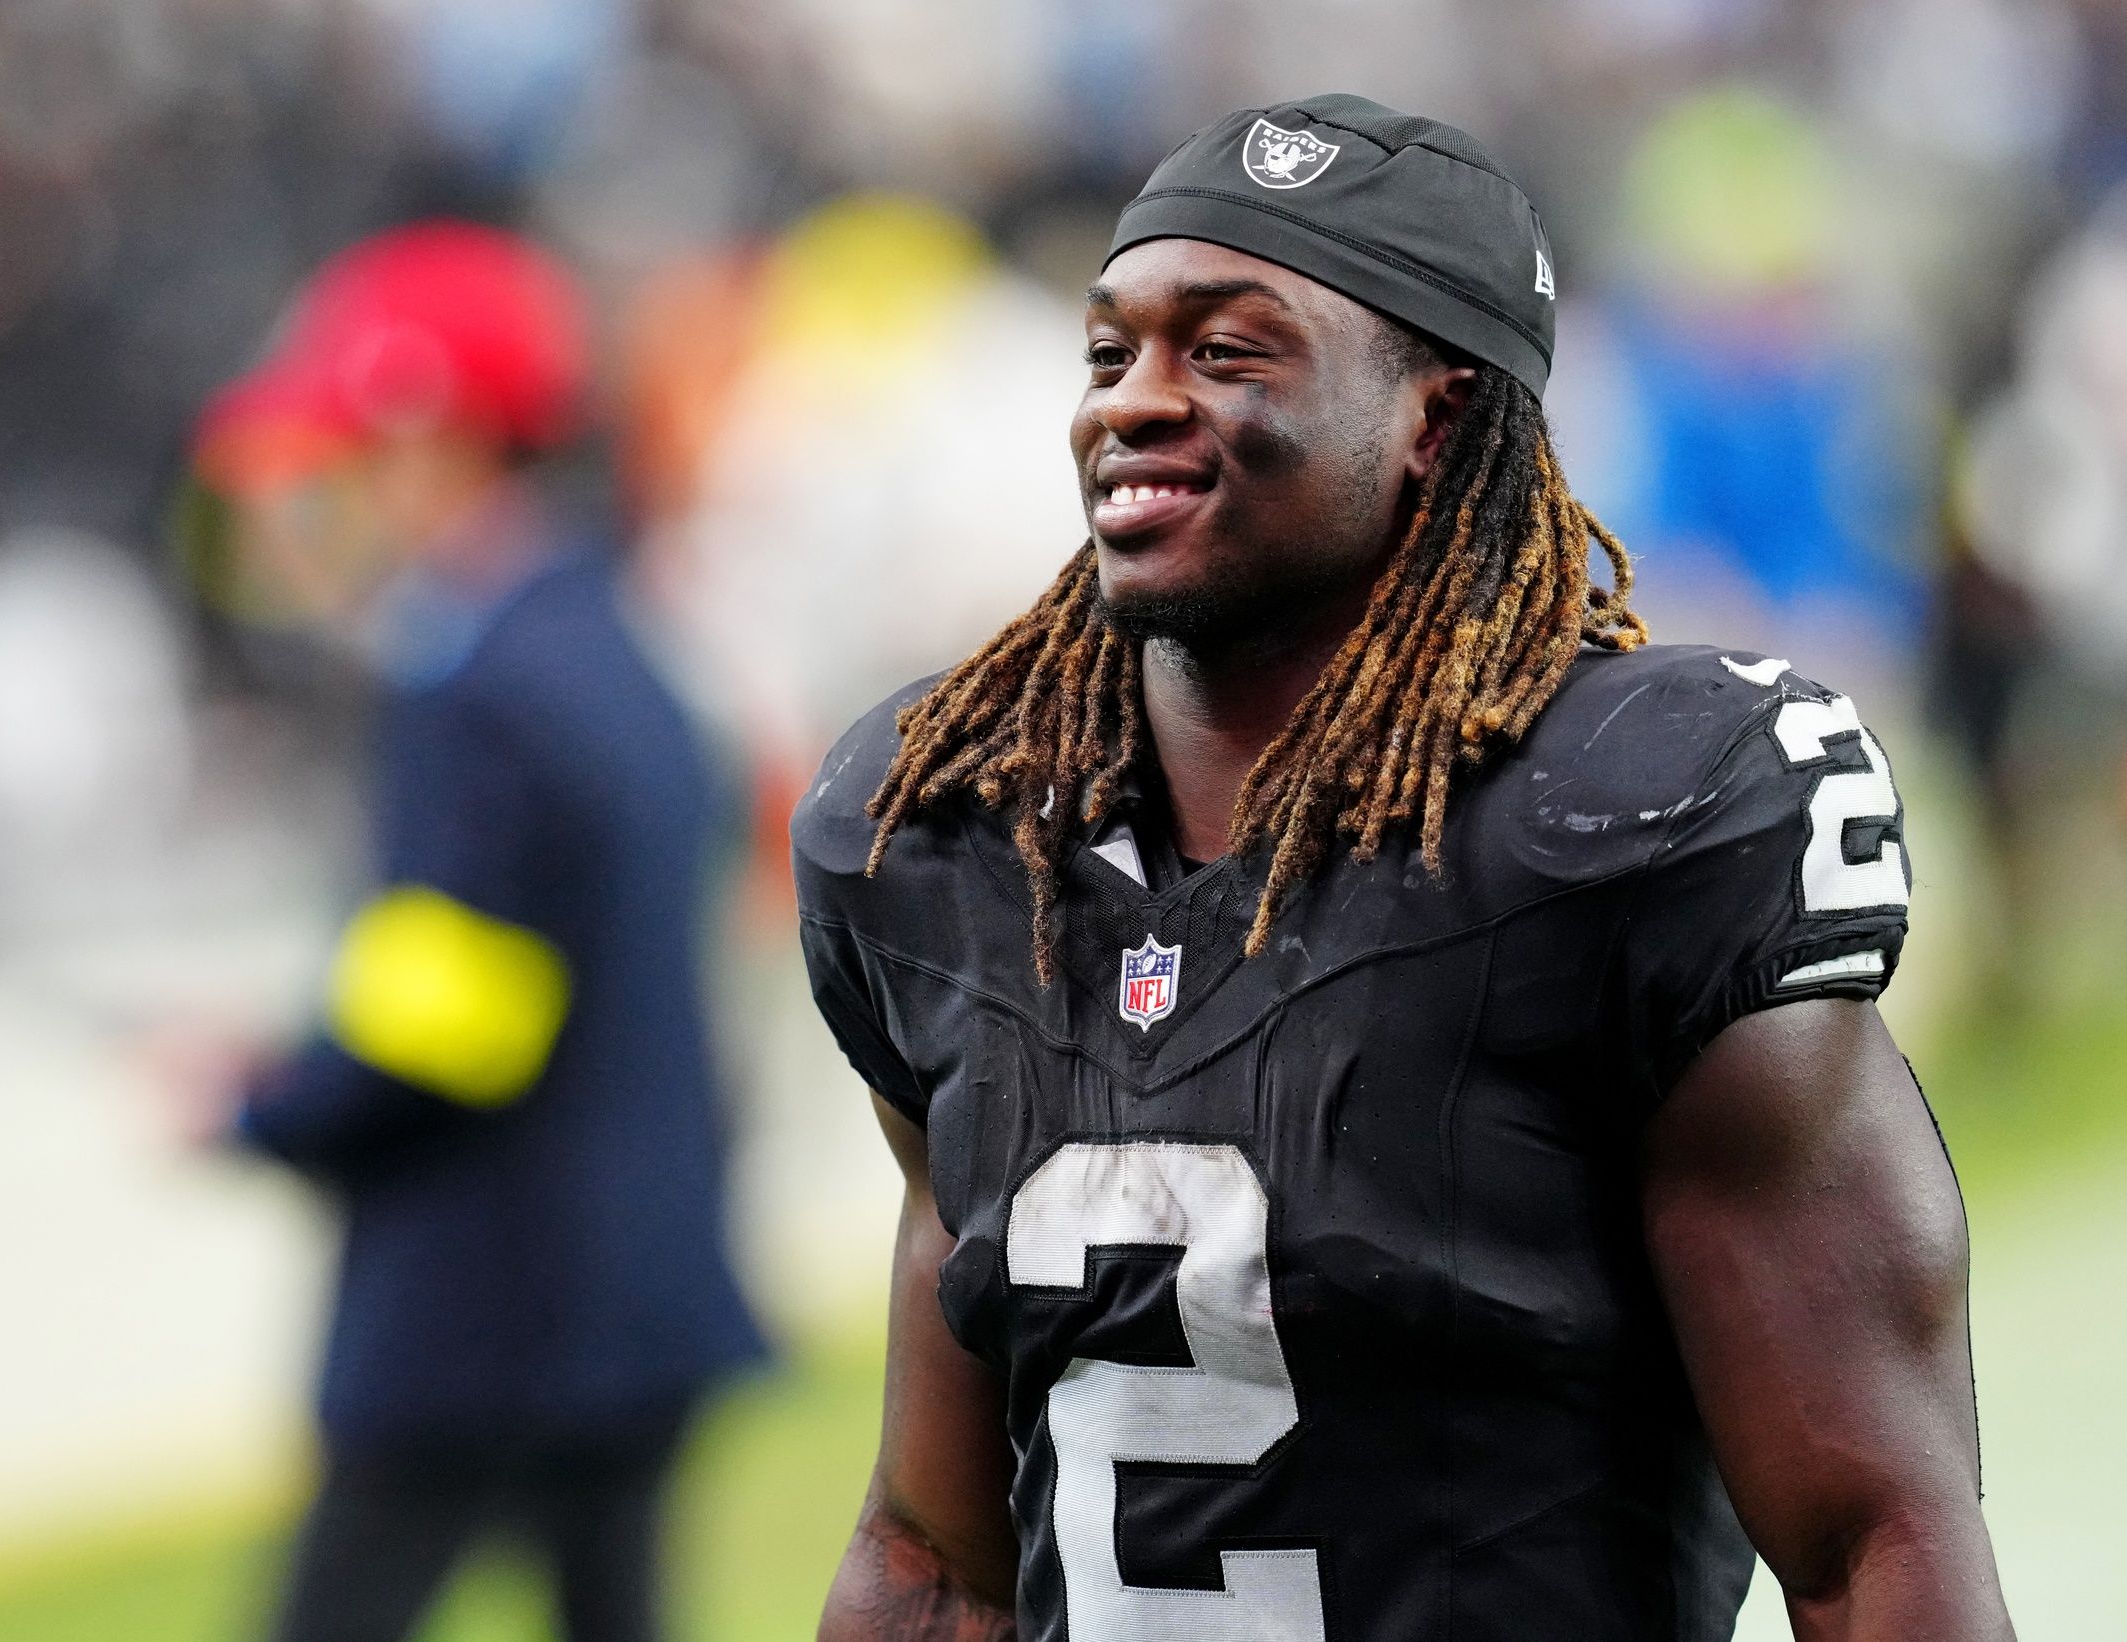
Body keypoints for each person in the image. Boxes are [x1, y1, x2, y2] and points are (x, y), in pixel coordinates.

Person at [793, 97, 2010, 1642]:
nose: (1137, 403)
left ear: (1436, 417)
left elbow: (1873, 1531)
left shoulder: (1621, 832)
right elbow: (932, 1550)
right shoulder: (956, 844)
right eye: (1112, 354)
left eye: (1230, 351)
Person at [193, 223, 766, 1642]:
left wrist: (258, 1098)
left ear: (430, 440)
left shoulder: (472, 683)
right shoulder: (616, 638)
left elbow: (441, 1029)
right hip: (631, 1286)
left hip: (484, 1308)